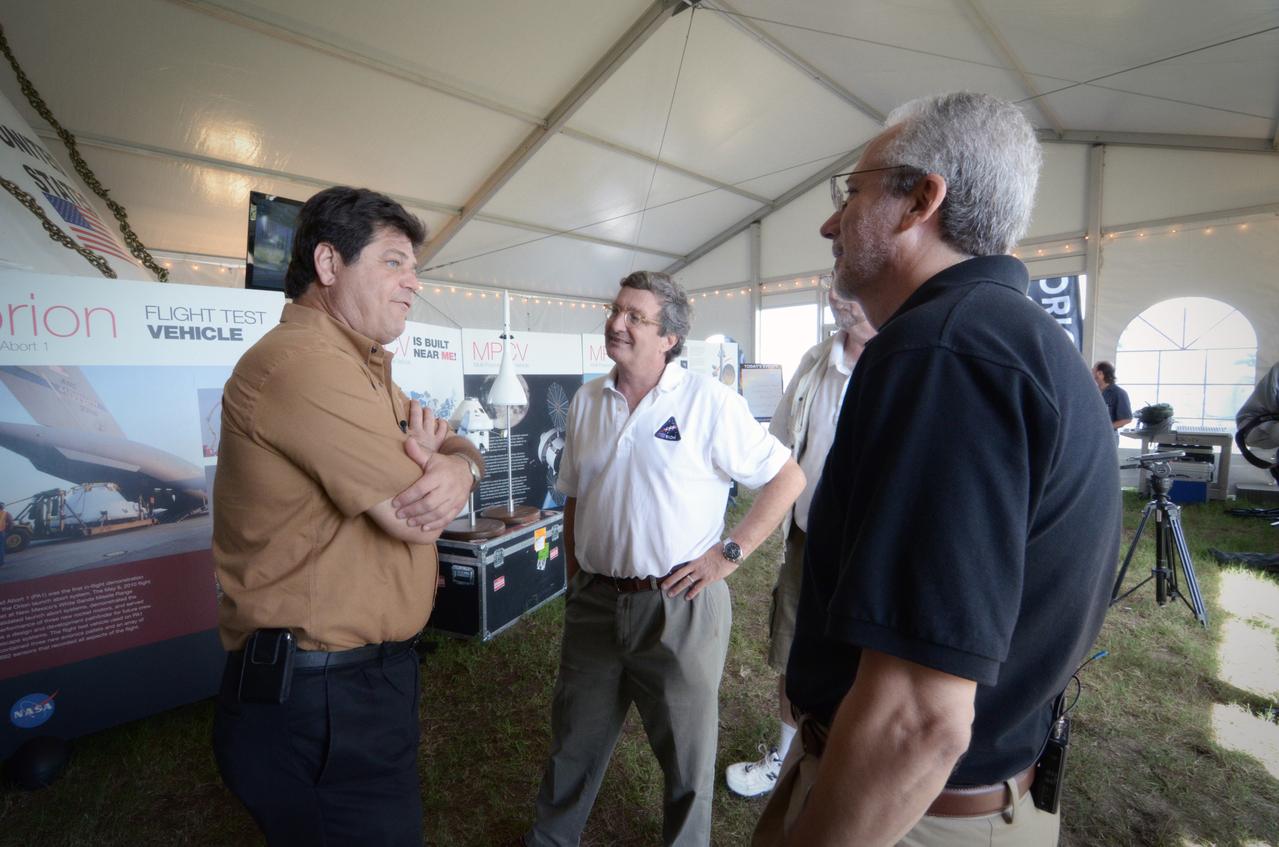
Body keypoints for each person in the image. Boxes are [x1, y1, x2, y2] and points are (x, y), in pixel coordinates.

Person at [752, 92, 1121, 847]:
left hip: (906, 811)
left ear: (922, 198)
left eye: (850, 193)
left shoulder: (943, 352)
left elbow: (918, 719)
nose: (830, 222)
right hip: (956, 797)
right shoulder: (1017, 338)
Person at [211, 186, 484, 846]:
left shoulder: (358, 365)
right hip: (318, 697)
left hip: (358, 685)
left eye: (413, 267)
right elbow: (417, 518)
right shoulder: (302, 366)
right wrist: (439, 466)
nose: (413, 283)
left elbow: (447, 441)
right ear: (329, 264)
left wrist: (460, 462)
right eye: (393, 262)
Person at [523, 271, 805, 847]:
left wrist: (728, 555)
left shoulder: (708, 402)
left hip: (680, 606)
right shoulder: (586, 400)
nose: (616, 322)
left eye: (634, 316)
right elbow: (575, 494)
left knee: (686, 761)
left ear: (669, 338)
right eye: (615, 309)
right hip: (596, 604)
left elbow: (786, 477)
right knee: (572, 743)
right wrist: (576, 576)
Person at [725, 287, 875, 797]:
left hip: (876, 552)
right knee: (792, 650)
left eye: (851, 283)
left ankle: (854, 770)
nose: (839, 295)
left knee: (869, 662)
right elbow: (782, 443)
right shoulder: (816, 361)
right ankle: (786, 759)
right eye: (835, 283)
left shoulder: (908, 360)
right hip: (809, 541)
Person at [1093, 360, 1133, 441]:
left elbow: (1127, 419)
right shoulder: (1092, 392)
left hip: (1108, 437)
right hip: (1091, 436)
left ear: (1100, 374)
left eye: (1093, 371)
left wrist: (1105, 428)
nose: (1092, 374)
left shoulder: (1119, 393)